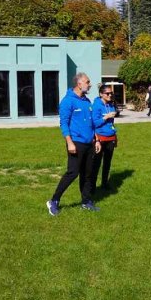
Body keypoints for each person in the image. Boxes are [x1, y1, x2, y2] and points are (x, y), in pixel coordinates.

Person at [47, 73, 101, 216]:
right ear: (79, 83)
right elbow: (63, 123)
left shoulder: (87, 101)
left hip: (90, 143)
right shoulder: (67, 101)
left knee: (88, 174)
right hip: (76, 143)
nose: (89, 84)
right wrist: (69, 142)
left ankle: (86, 202)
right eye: (87, 82)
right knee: (73, 173)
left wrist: (96, 139)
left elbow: (92, 123)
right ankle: (54, 201)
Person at [91, 83, 118, 192]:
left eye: (111, 93)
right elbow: (94, 123)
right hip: (100, 138)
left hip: (110, 137)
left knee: (107, 162)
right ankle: (92, 187)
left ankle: (104, 184)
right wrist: (106, 117)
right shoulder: (96, 105)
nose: (110, 95)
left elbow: (111, 123)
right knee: (96, 163)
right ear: (101, 94)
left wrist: (115, 136)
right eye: (107, 93)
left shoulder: (111, 105)